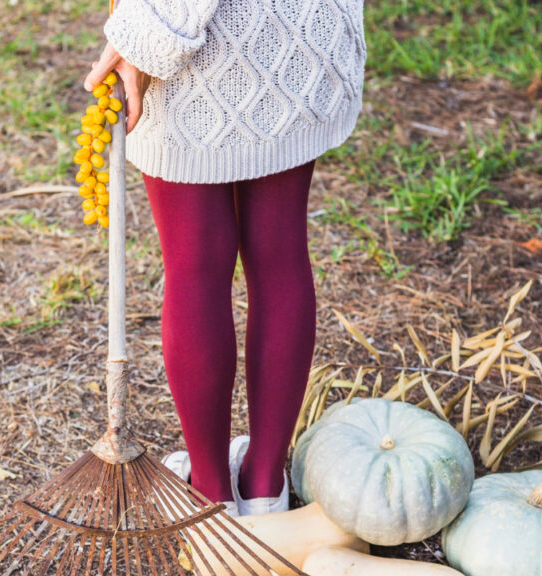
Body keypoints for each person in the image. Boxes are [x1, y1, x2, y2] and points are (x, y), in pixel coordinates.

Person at [84, 0, 366, 515]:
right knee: (280, 253)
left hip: (207, 45)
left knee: (194, 266)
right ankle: (264, 485)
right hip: (302, 37)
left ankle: (211, 491)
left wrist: (145, 33)